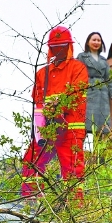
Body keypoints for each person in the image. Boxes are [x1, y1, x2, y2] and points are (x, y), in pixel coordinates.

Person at [21, 26, 89, 200]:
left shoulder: (78, 68)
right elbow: (37, 104)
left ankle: (74, 211)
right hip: (47, 130)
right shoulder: (42, 73)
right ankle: (31, 204)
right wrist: (38, 131)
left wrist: (57, 106)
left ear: (69, 46)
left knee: (72, 170)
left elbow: (76, 94)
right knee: (31, 161)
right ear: (50, 48)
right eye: (55, 46)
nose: (59, 50)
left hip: (71, 129)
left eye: (62, 46)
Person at [76, 32, 112, 136]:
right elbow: (76, 73)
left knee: (101, 126)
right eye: (93, 40)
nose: (96, 42)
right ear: (88, 42)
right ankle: (80, 150)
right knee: (85, 123)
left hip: (102, 94)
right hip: (88, 91)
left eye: (98, 40)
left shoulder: (104, 60)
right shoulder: (82, 57)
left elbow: (109, 78)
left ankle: (98, 151)